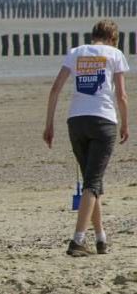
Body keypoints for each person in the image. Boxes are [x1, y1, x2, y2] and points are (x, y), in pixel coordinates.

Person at [43, 20, 129, 256]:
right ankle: (78, 239)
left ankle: (101, 238)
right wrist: (126, 123)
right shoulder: (115, 54)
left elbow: (55, 89)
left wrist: (49, 124)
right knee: (92, 183)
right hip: (103, 120)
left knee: (92, 181)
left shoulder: (76, 52)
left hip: (76, 121)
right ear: (112, 38)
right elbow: (121, 95)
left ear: (93, 35)